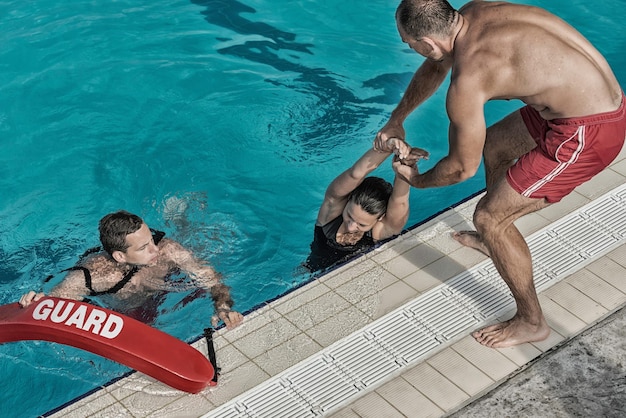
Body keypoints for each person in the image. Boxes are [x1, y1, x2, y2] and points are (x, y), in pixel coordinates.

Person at [377, 0, 625, 348]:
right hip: (585, 105)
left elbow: (461, 169)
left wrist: (415, 179)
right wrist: (397, 118)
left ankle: (531, 320)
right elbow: (436, 66)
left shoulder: (470, 79)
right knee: (495, 144)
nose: (412, 50)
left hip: (588, 132)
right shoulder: (472, 13)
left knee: (489, 217)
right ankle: (496, 243)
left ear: (427, 44)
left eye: (410, 44)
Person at [19, 210, 244, 330]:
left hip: (166, 289)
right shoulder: (94, 276)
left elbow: (212, 278)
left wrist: (223, 308)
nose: (156, 249)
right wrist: (38, 303)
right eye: (144, 247)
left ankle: (179, 215)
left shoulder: (167, 251)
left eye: (151, 239)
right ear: (120, 256)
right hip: (126, 311)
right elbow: (57, 302)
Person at [305, 137, 428, 271]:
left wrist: (405, 167)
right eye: (349, 216)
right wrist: (387, 147)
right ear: (348, 199)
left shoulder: (380, 231)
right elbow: (355, 175)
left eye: (362, 224)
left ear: (380, 218)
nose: (351, 227)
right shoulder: (330, 215)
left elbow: (400, 201)